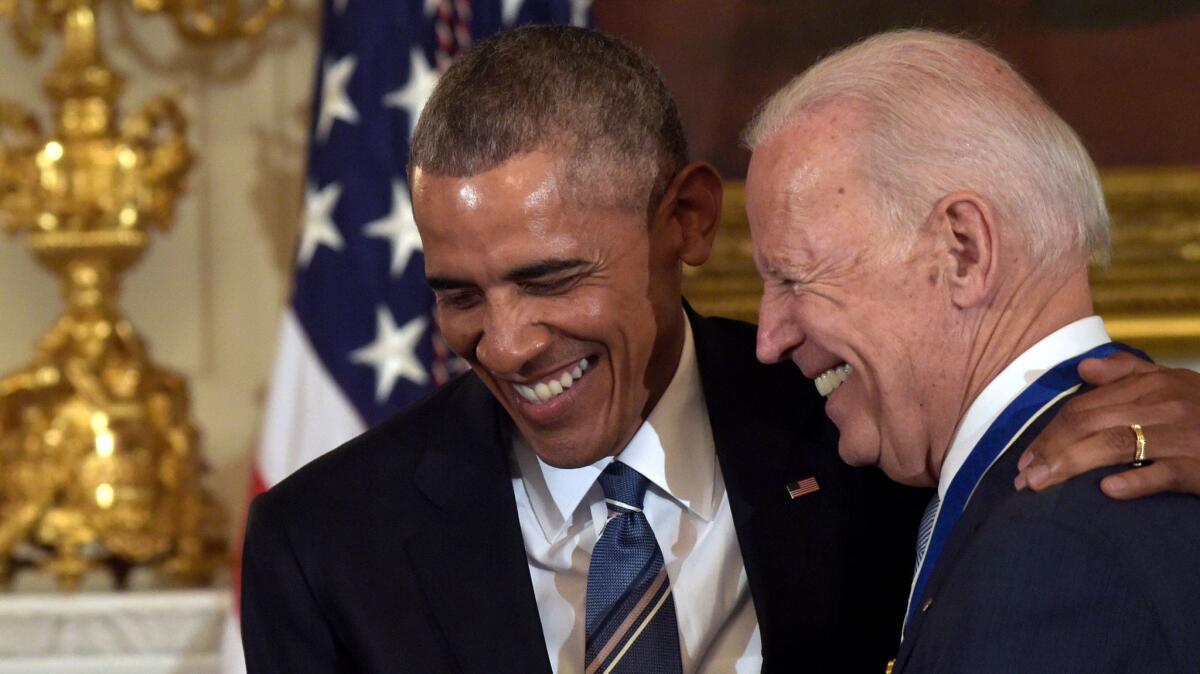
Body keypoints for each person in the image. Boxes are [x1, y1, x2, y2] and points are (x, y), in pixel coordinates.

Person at [242, 25, 1200, 674]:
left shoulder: (859, 431)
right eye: (458, 295)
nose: (507, 342)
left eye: (551, 278)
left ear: (688, 221)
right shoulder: (324, 547)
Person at [745, 29, 1200, 673]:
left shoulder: (1054, 552)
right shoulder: (1040, 496)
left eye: (795, 277)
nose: (770, 339)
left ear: (964, 250)